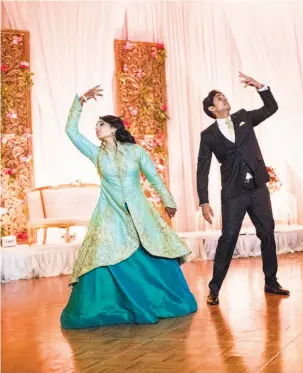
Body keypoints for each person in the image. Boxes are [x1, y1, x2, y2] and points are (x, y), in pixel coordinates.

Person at [60, 86, 197, 329]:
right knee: (104, 254)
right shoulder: (96, 154)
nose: (97, 128)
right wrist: (79, 102)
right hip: (110, 214)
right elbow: (71, 131)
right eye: (97, 125)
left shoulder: (135, 152)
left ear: (114, 129)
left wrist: (168, 201)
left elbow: (153, 176)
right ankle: (109, 306)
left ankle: (161, 300)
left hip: (139, 212)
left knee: (153, 250)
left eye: (101, 124)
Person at [197, 72, 289, 306]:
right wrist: (203, 200)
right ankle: (214, 288)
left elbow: (271, 108)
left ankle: (271, 281)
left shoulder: (244, 117)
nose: (224, 99)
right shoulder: (207, 135)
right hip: (233, 192)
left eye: (224, 96)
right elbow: (203, 169)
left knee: (267, 232)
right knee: (228, 238)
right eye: (219, 98)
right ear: (211, 109)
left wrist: (260, 86)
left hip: (257, 188)